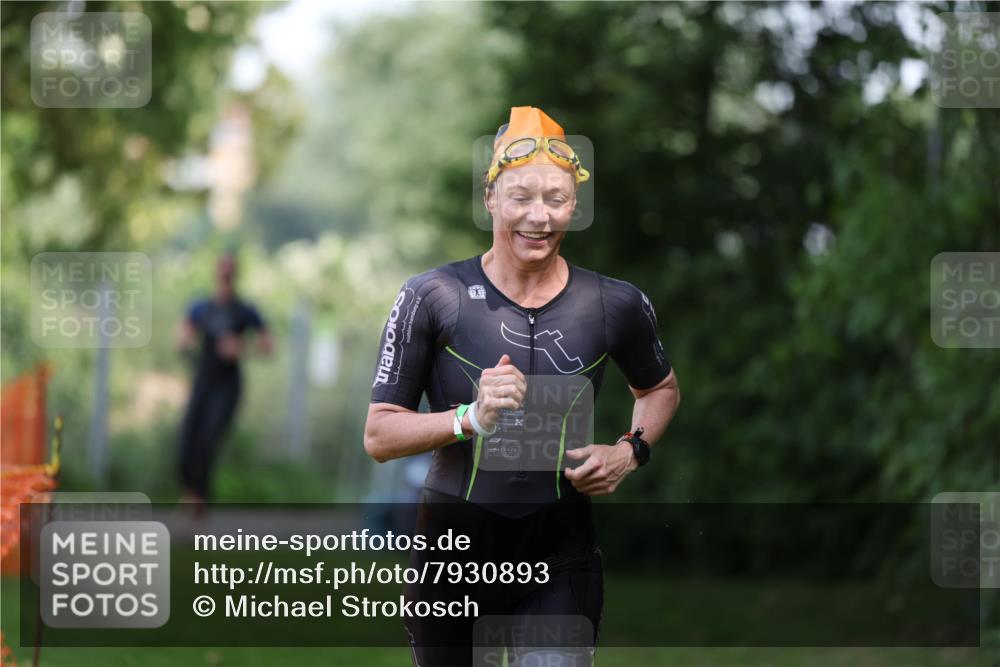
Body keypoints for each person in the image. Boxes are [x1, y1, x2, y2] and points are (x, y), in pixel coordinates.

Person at [364, 106, 680, 666]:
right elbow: (380, 434)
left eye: (555, 199)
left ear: (574, 206)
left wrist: (629, 451)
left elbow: (660, 389)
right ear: (489, 198)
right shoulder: (433, 296)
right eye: (521, 197)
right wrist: (471, 418)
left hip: (561, 554)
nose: (539, 216)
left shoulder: (614, 304)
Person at [176, 252, 272, 508]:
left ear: (235, 273)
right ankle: (191, 494)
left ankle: (198, 500)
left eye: (230, 270)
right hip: (203, 381)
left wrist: (242, 347)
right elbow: (182, 339)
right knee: (186, 441)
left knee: (208, 440)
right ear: (216, 272)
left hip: (228, 386)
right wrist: (186, 343)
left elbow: (267, 346)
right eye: (222, 269)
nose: (225, 274)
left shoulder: (245, 310)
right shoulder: (201, 307)